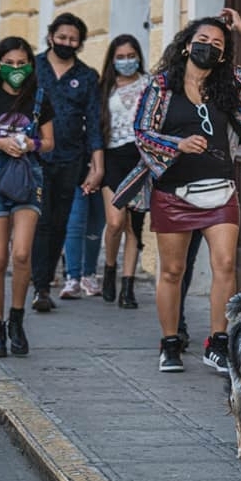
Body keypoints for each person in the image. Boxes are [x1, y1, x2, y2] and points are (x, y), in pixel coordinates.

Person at [112, 8, 241, 373]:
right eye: (202, 40)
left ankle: (217, 342)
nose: (209, 47)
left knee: (224, 265)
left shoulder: (228, 83)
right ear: (187, 46)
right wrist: (177, 145)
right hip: (173, 192)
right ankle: (170, 342)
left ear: (223, 53)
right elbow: (142, 134)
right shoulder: (160, 86)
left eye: (217, 44)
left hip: (220, 189)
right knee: (172, 270)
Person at [0, 37, 55, 357]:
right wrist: (0, 144)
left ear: (30, 65)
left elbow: (49, 143)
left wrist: (32, 145)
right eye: (10, 63)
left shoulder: (39, 97)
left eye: (22, 63)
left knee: (21, 254)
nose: (16, 69)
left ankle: (17, 321)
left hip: (29, 178)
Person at [30, 12, 104, 312]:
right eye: (62, 37)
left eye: (73, 39)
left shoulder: (87, 76)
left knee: (59, 222)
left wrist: (97, 164)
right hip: (33, 157)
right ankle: (41, 286)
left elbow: (95, 122)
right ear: (51, 37)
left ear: (80, 43)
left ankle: (45, 280)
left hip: (72, 158)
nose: (66, 43)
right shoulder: (33, 67)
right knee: (41, 221)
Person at [98, 33, 149, 308]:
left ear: (138, 56)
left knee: (134, 227)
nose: (126, 61)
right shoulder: (104, 86)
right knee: (116, 221)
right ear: (112, 59)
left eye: (131, 56)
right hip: (112, 157)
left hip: (141, 158)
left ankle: (127, 287)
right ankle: (109, 269)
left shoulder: (149, 84)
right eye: (120, 57)